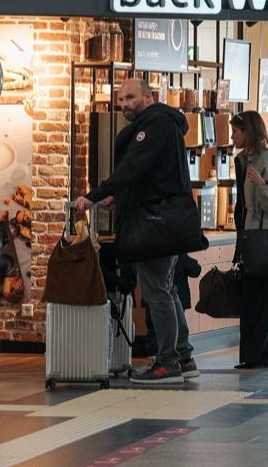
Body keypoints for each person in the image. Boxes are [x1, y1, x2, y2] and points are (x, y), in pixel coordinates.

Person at [75, 78, 197, 385]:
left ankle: (168, 362)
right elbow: (150, 175)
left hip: (154, 221)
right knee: (165, 288)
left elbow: (134, 168)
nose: (125, 104)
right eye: (121, 100)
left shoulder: (154, 124)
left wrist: (94, 195)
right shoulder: (165, 123)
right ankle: (184, 357)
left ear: (148, 95)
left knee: (156, 290)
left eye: (131, 97)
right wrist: (120, 196)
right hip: (166, 218)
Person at [231, 110, 268, 369]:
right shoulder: (242, 160)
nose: (232, 136)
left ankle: (257, 356)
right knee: (252, 298)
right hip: (250, 237)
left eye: (236, 131)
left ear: (249, 132)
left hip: (266, 239)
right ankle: (261, 353)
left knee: (261, 299)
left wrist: (262, 184)